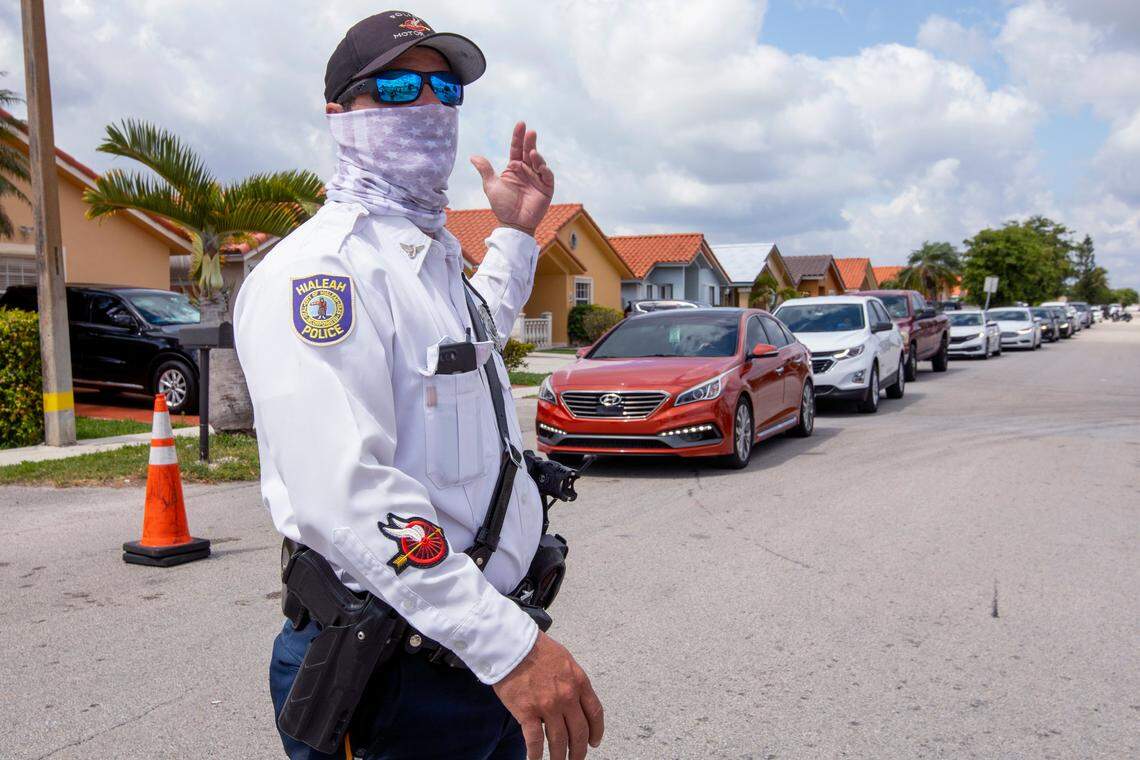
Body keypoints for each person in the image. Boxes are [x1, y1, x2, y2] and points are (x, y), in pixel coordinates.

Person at [234, 11, 603, 760]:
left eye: (445, 90)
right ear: (341, 116)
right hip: (395, 679)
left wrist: (516, 235)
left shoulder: (427, 261)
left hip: (472, 655)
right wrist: (513, 650)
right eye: (398, 87)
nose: (428, 107)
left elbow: (468, 342)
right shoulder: (323, 273)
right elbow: (349, 493)